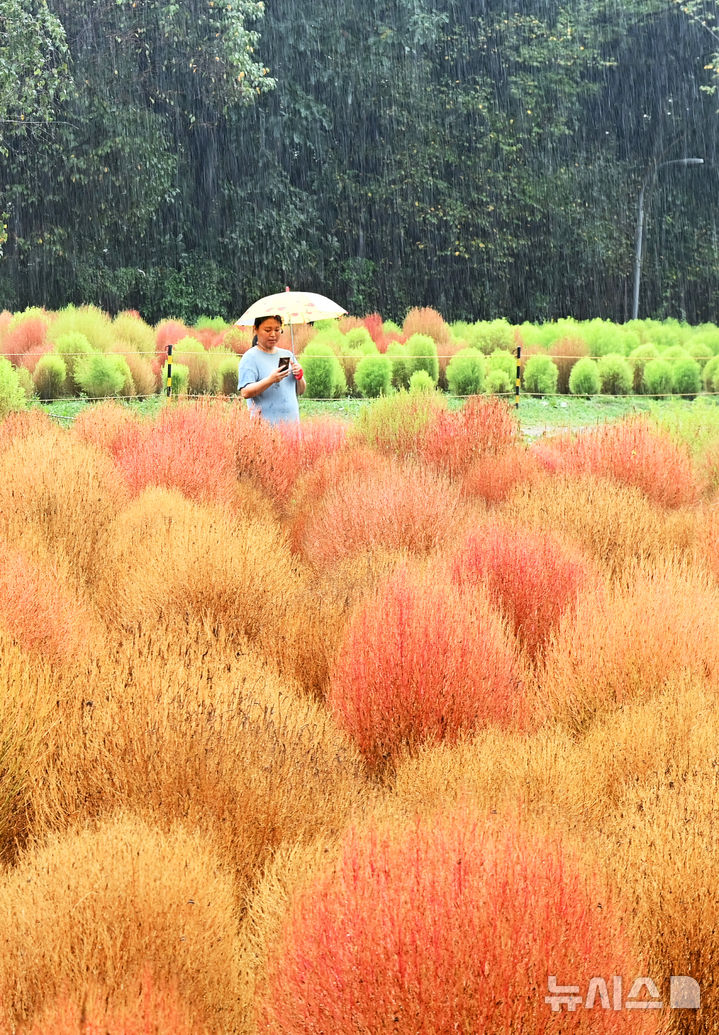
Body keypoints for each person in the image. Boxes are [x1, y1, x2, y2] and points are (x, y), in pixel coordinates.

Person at [237, 314, 305, 425]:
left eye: (277, 330)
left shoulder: (287, 355)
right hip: (265, 429)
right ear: (256, 329)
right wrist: (271, 380)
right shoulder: (250, 358)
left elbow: (300, 391)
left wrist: (299, 377)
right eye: (267, 330)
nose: (273, 334)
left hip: (291, 427)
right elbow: (245, 392)